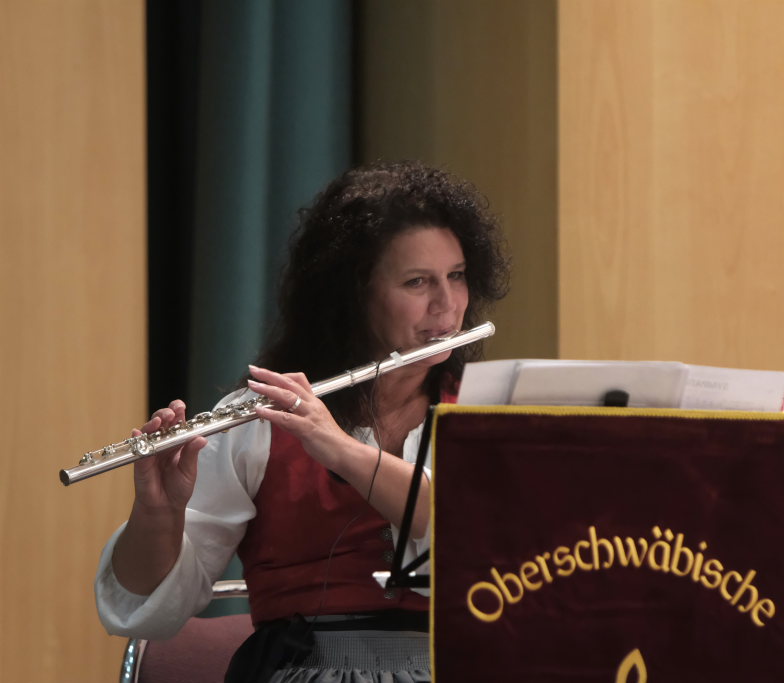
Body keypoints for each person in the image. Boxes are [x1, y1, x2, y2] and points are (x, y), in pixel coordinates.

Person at [95, 160, 510, 682]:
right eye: (417, 282)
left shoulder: (486, 410)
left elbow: (483, 543)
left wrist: (342, 451)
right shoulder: (263, 417)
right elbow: (150, 612)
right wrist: (159, 514)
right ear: (354, 294)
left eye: (457, 276)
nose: (446, 305)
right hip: (306, 669)